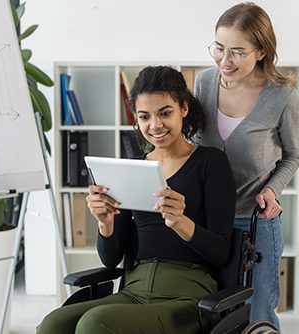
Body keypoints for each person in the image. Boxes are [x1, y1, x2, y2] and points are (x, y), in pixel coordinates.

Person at [36, 66, 236, 334]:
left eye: (165, 113)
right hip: (134, 289)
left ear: (184, 109)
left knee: (95, 324)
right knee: (53, 325)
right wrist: (105, 223)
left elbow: (222, 252)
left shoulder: (210, 163)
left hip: (187, 297)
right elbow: (111, 259)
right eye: (144, 116)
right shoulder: (133, 169)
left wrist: (180, 223)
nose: (155, 125)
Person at [194, 2, 299, 329]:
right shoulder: (204, 84)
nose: (224, 61)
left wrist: (272, 188)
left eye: (237, 52)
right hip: (207, 221)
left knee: (258, 312)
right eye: (219, 48)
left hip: (256, 222)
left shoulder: (282, 96)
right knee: (211, 311)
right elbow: (195, 146)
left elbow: (292, 155)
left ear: (261, 51)